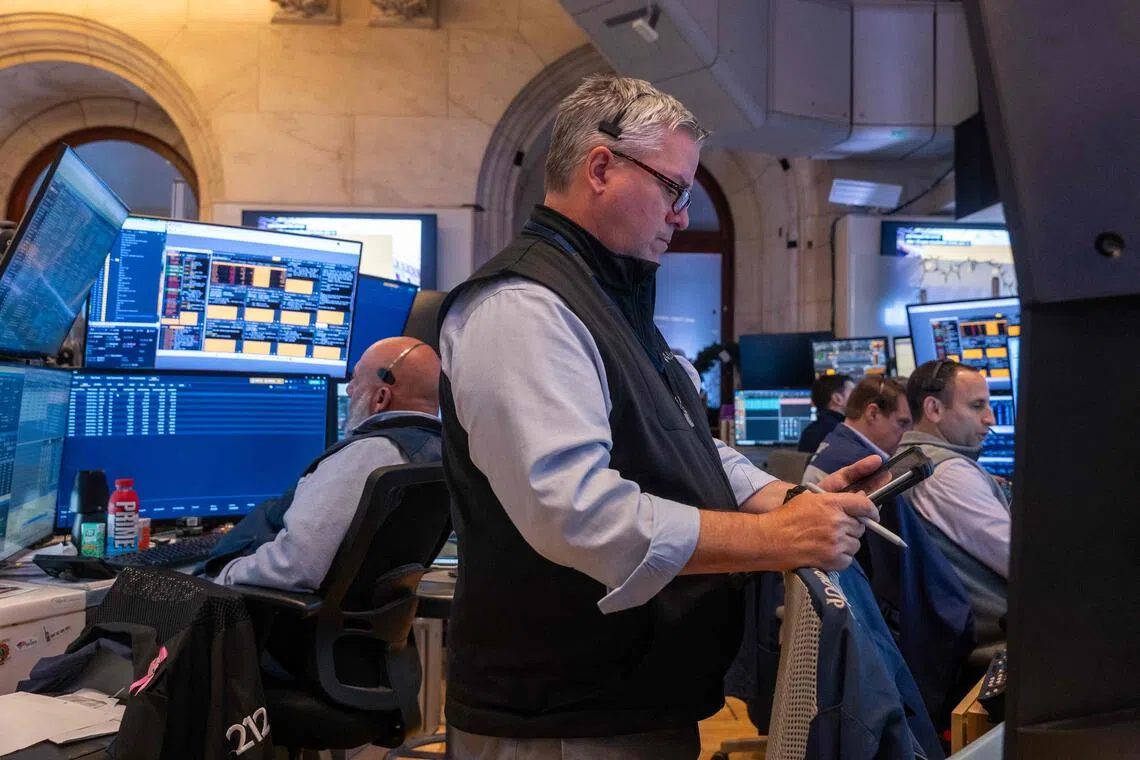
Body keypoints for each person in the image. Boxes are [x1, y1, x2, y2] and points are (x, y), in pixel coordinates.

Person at [437, 74, 884, 759]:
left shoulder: (610, 297)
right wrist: (775, 540)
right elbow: (579, 514)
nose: (682, 214)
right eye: (674, 188)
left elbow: (688, 446)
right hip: (559, 716)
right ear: (600, 168)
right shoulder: (523, 309)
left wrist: (789, 500)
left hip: (627, 696)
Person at [206, 336, 442, 592]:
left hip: (272, 617)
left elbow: (294, 566)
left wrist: (225, 574)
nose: (349, 389)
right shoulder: (438, 453)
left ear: (381, 398)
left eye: (356, 380)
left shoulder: (368, 454)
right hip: (354, 620)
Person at [899, 359, 1009, 646]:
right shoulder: (948, 474)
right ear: (933, 409)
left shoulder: (910, 459)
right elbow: (1023, 562)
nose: (990, 419)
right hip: (1003, 638)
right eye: (977, 406)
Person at [802, 375, 912, 485]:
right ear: (873, 414)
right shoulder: (865, 466)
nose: (908, 433)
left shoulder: (839, 441)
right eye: (902, 423)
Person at [797, 373, 855, 453]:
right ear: (837, 399)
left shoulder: (809, 431)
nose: (858, 397)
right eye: (853, 393)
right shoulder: (842, 433)